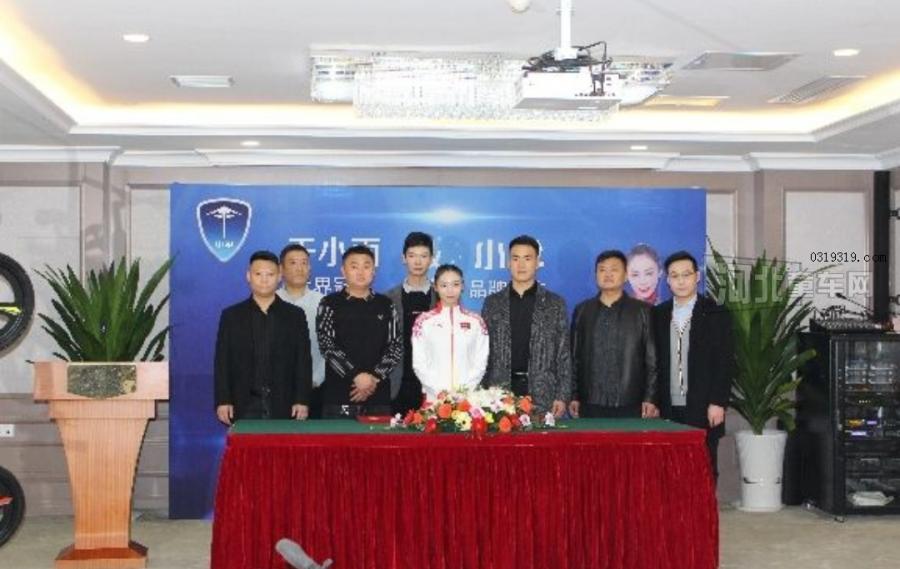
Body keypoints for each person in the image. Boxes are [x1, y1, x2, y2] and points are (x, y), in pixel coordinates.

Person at [653, 250, 734, 479]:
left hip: (703, 405)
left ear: (697, 277)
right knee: (670, 467)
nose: (681, 281)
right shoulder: (658, 314)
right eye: (674, 276)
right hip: (668, 405)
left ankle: (705, 504)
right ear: (667, 280)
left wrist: (718, 402)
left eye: (686, 274)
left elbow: (724, 360)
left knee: (703, 465)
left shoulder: (715, 313)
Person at [214, 250, 312, 424]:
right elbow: (222, 361)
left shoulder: (294, 315)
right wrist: (223, 400)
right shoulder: (232, 316)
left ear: (279, 276)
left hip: (285, 402)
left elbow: (303, 361)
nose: (264, 279)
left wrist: (302, 399)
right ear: (248, 276)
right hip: (244, 403)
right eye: (258, 274)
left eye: (270, 274)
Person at [481, 235, 571, 417]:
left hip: (543, 394)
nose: (521, 265)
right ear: (508, 263)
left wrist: (562, 396)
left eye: (527, 258)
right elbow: (483, 352)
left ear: (537, 262)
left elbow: (563, 354)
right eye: (515, 258)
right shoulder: (493, 303)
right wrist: (482, 393)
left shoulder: (554, 304)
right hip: (499, 394)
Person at [570, 249, 659, 419]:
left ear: (625, 276)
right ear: (596, 275)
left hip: (631, 401)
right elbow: (575, 357)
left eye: (614, 269)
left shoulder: (643, 311)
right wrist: (574, 395)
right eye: (602, 270)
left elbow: (652, 358)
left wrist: (650, 397)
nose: (608, 274)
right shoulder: (583, 310)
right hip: (590, 401)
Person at [316, 245, 402, 418]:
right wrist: (356, 376)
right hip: (339, 395)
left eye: (366, 266)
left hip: (377, 395)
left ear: (374, 271)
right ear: (343, 271)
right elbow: (327, 345)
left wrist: (373, 378)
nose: (361, 272)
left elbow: (395, 346)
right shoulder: (329, 303)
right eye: (354, 266)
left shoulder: (386, 304)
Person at [412, 264, 489, 402]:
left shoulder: (476, 321)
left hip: (468, 399)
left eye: (455, 284)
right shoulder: (423, 321)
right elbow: (419, 363)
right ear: (435, 287)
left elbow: (480, 362)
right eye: (444, 285)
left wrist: (463, 392)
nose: (450, 290)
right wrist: (439, 392)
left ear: (463, 286)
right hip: (434, 400)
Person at [385, 232, 437, 415]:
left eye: (424, 256)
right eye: (412, 255)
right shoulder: (388, 299)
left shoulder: (442, 298)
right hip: (396, 385)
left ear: (431, 259)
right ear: (404, 258)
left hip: (432, 388)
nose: (418, 262)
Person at [276, 243, 325, 419]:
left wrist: (316, 379)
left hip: (315, 388)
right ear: (281, 269)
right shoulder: (271, 301)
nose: (299, 268)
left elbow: (331, 348)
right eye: (293, 263)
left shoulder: (324, 303)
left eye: (304, 263)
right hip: (276, 391)